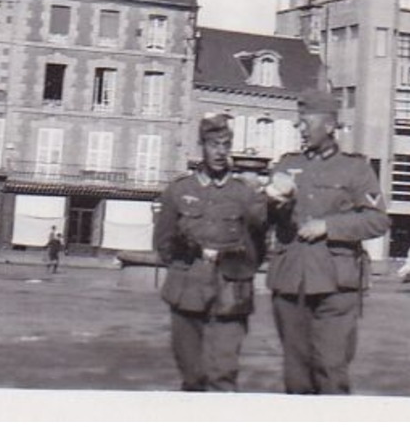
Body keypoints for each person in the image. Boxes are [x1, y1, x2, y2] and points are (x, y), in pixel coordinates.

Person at [263, 91, 389, 395]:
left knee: (331, 371)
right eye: (299, 121)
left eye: (307, 121)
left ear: (330, 125)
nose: (300, 127)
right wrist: (271, 202)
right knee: (296, 377)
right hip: (290, 282)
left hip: (336, 286)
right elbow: (260, 220)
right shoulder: (286, 165)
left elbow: (377, 220)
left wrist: (328, 226)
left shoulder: (355, 168)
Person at [153, 113, 268, 392]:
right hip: (187, 290)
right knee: (192, 376)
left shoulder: (244, 194)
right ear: (201, 146)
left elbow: (258, 246)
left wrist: (234, 265)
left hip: (230, 294)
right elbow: (164, 241)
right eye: (213, 144)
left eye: (226, 145)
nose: (220, 151)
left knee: (223, 375)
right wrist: (188, 263)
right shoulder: (179, 191)